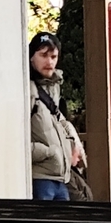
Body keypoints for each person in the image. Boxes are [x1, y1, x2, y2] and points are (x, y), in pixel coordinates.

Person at [29, 33, 85, 201]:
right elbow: (13, 139)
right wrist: (50, 152)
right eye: (43, 55)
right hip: (40, 178)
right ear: (31, 57)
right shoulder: (27, 91)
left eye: (53, 56)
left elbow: (60, 122)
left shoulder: (52, 89)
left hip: (61, 178)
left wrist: (73, 145)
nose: (49, 62)